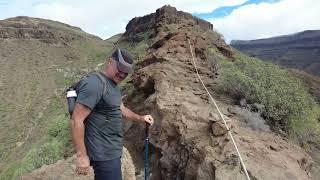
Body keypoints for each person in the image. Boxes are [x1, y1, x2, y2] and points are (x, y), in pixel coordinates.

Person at [71, 48, 154, 180]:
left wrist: (140, 117)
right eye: (120, 69)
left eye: (125, 72)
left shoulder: (113, 85)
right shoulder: (95, 84)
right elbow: (77, 120)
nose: (122, 74)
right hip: (103, 154)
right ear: (109, 61)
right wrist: (82, 156)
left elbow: (121, 108)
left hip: (112, 150)